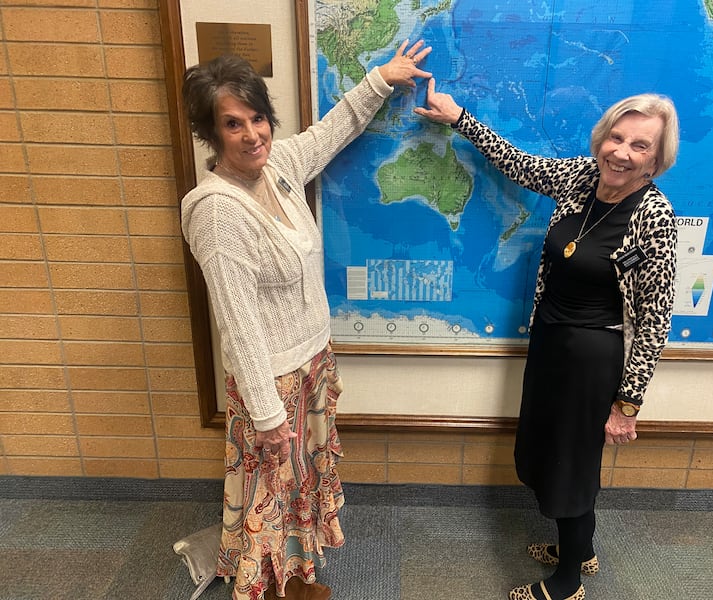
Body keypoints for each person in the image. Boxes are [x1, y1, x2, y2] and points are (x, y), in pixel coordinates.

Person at [180, 41, 432, 600]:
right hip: (271, 378)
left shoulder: (278, 170)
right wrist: (267, 417)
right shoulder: (218, 211)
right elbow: (238, 324)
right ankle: (266, 585)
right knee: (275, 486)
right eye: (234, 124)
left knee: (301, 483)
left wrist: (381, 78)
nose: (253, 134)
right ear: (211, 134)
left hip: (311, 361)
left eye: (258, 118)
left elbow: (329, 132)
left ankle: (291, 573)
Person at [415, 81, 679, 600]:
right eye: (616, 138)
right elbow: (518, 164)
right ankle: (580, 548)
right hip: (552, 345)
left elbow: (655, 320)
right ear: (602, 138)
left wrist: (627, 404)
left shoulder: (654, 217)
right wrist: (458, 117)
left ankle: (567, 584)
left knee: (572, 464)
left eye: (639, 145)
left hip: (591, 358)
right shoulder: (582, 179)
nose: (621, 152)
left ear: (655, 161)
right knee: (556, 454)